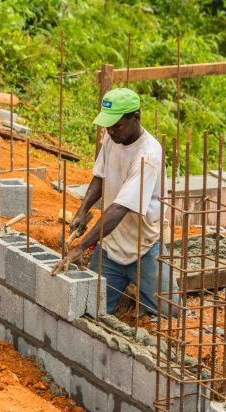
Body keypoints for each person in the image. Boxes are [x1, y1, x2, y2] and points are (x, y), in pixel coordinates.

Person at [52, 88, 178, 317]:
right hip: (110, 245)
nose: (110, 131)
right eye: (107, 125)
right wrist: (82, 210)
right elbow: (100, 176)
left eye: (116, 125)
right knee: (91, 310)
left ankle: (139, 300)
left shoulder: (148, 155)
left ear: (136, 117)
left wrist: (80, 247)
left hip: (143, 246)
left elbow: (120, 208)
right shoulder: (112, 138)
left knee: (170, 315)